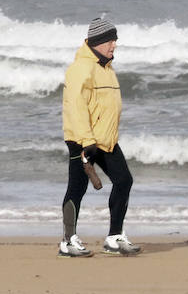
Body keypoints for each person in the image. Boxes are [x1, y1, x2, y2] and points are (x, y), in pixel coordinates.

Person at [58, 15, 140, 256]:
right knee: (77, 188)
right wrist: (87, 141)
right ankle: (68, 241)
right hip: (83, 141)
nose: (114, 45)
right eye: (110, 41)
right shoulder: (80, 69)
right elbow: (76, 106)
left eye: (114, 41)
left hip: (105, 139)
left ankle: (114, 237)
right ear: (97, 42)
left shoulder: (107, 68)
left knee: (124, 180)